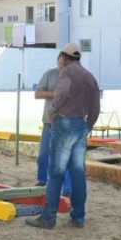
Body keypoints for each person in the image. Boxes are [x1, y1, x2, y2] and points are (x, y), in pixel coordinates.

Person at [25, 43, 100, 229]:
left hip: (65, 123)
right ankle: (78, 217)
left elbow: (63, 91)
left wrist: (54, 110)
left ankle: (48, 218)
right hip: (80, 125)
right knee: (78, 173)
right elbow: (96, 107)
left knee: (56, 172)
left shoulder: (67, 72)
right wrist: (87, 126)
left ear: (64, 58)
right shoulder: (89, 77)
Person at [35, 55, 72, 196]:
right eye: (60, 63)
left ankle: (67, 188)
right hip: (48, 122)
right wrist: (53, 93)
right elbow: (37, 94)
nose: (61, 66)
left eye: (64, 64)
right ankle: (42, 180)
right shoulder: (49, 74)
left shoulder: (73, 78)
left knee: (65, 157)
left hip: (66, 123)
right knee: (44, 154)